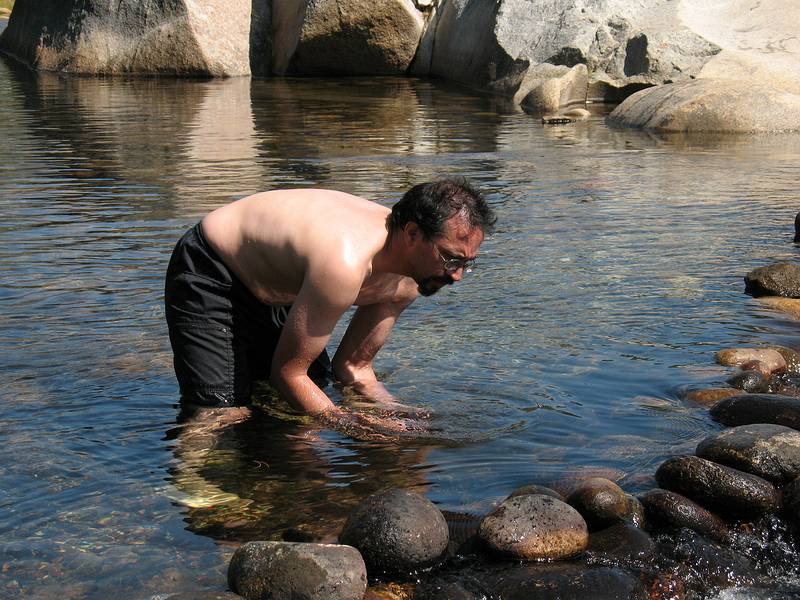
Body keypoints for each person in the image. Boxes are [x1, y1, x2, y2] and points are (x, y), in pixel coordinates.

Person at [164, 178, 496, 434]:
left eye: (467, 263)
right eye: (450, 258)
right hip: (213, 268)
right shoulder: (345, 262)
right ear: (411, 234)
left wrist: (403, 417)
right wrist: (351, 424)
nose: (457, 276)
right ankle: (200, 494)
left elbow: (354, 367)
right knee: (223, 410)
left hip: (278, 285)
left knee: (313, 388)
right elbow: (288, 373)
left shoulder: (412, 278)